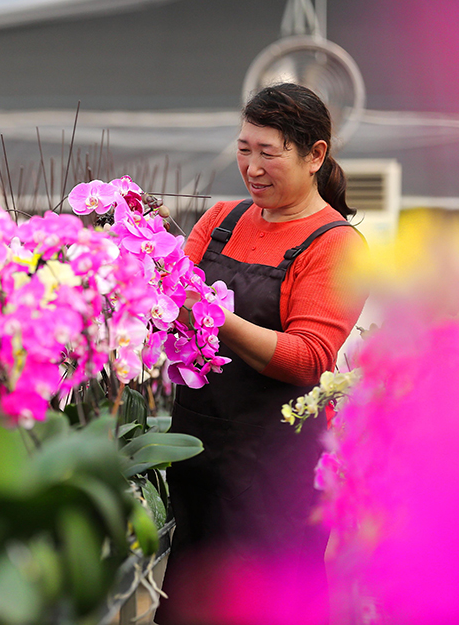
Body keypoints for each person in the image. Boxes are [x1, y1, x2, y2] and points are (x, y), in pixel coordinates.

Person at [156, 83, 368, 625]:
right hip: (200, 457)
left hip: (275, 474)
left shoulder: (335, 244)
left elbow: (309, 357)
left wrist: (215, 318)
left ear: (315, 155)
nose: (251, 166)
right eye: (244, 148)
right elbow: (170, 305)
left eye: (268, 152)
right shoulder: (220, 221)